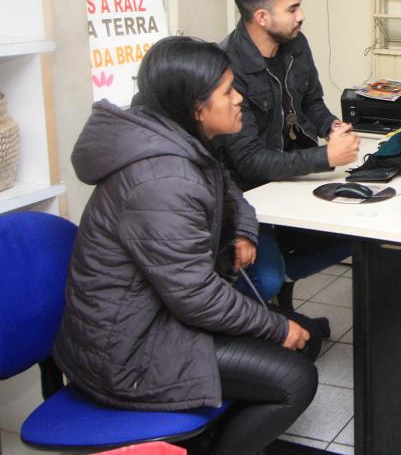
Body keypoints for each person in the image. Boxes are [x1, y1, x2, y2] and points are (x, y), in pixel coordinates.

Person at [53, 37, 321, 455]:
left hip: (159, 319)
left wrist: (244, 232)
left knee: (304, 336)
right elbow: (196, 297)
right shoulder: (162, 180)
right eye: (229, 92)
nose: (240, 100)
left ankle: (211, 435)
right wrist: (275, 326)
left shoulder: (177, 140)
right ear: (197, 107)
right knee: (295, 375)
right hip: (127, 354)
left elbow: (232, 194)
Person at [219, 0, 359, 308]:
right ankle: (235, 321)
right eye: (292, 8)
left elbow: (312, 100)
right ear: (262, 17)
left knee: (358, 232)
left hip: (296, 175)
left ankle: (280, 282)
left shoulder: (295, 44)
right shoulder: (226, 68)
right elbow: (250, 161)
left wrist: (330, 126)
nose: (301, 15)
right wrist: (326, 157)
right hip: (250, 193)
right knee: (264, 278)